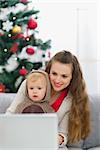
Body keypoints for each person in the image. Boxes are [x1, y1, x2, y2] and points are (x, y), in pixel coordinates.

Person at [6, 50, 91, 149]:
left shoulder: (71, 100)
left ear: (72, 78)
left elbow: (63, 134)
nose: (58, 80)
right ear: (48, 71)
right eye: (54, 74)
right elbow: (11, 113)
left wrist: (57, 139)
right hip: (23, 141)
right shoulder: (30, 84)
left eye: (64, 76)